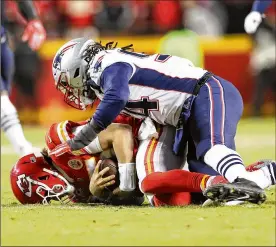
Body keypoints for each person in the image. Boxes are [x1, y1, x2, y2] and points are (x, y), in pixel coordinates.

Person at [49, 38, 275, 204]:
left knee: (213, 149)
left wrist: (89, 132)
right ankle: (263, 174)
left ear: (77, 65)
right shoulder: (107, 70)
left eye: (68, 82)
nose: (71, 90)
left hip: (204, 93)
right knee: (213, 197)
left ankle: (247, 180)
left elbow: (117, 97)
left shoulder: (106, 63)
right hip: (186, 113)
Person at [11, 116, 275, 206]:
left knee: (150, 182)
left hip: (147, 128)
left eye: (43, 191)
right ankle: (261, 174)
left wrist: (123, 180)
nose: (52, 195)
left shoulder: (60, 144)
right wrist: (99, 195)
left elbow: (120, 133)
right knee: (172, 201)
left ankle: (213, 182)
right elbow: (130, 198)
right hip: (142, 151)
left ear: (40, 176)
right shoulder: (78, 193)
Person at [1, 0, 46, 156]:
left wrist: (33, 18)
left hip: (2, 37)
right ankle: (23, 148)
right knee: (2, 97)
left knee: (3, 93)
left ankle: (23, 147)